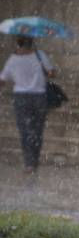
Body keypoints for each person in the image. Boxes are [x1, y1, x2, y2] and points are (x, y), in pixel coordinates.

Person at [0, 35, 55, 175]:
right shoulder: (39, 55)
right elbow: (52, 73)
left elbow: (3, 79)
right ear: (32, 43)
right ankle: (34, 161)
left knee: (25, 130)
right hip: (39, 97)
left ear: (18, 44)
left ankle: (29, 163)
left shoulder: (13, 59)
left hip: (21, 98)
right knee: (37, 130)